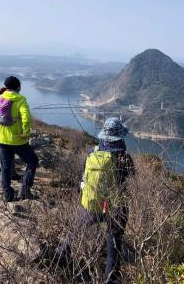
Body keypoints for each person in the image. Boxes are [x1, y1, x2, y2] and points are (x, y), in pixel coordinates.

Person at [57, 117, 135, 283]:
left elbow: (84, 177)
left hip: (92, 203)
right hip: (116, 206)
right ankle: (110, 277)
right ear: (120, 136)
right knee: (114, 241)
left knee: (76, 229)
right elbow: (131, 175)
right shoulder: (123, 157)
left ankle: (61, 254)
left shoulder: (92, 153)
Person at [0, 76, 38, 201]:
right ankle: (25, 190)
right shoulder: (20, 100)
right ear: (18, 87)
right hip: (18, 140)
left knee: (5, 167)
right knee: (32, 161)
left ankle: (7, 194)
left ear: (6, 87)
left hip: (2, 139)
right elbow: (26, 118)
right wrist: (26, 132)